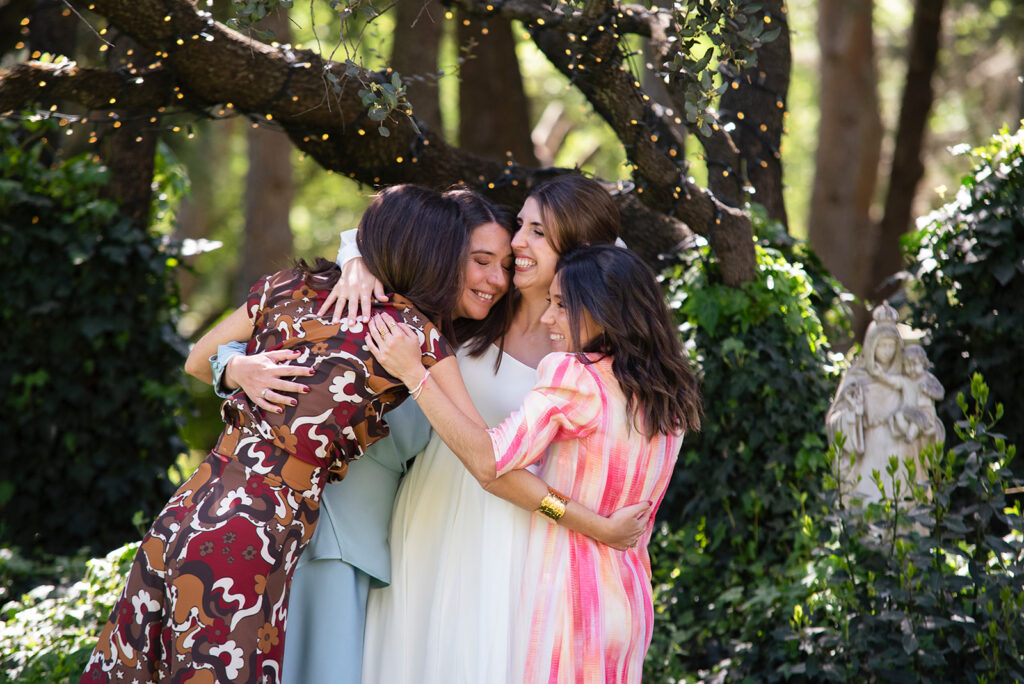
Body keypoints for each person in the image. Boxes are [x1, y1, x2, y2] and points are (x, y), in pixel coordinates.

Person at [199, 185, 648, 683]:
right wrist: (358, 262)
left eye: (537, 232)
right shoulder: (462, 316)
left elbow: (504, 461)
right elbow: (392, 232)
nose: (518, 245)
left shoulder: (581, 352)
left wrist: (593, 525)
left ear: (578, 251)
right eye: (520, 226)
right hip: (412, 517)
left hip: (505, 535)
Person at [80, 184, 471, 684]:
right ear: (437, 259)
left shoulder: (284, 286)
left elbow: (198, 359)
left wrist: (236, 367)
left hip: (188, 509)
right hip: (250, 537)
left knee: (138, 668)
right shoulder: (412, 335)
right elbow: (479, 441)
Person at [366, 244, 702, 684]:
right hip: (628, 602)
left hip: (564, 605)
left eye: (563, 305)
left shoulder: (577, 376)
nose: (549, 318)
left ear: (605, 309)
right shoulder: (673, 395)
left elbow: (490, 464)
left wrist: (415, 376)